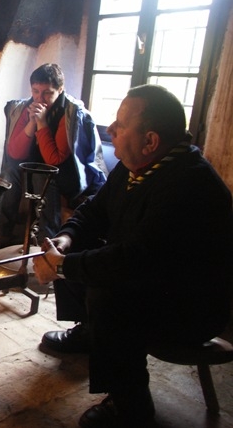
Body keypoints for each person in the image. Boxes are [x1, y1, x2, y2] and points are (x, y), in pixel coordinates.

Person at [33, 84, 233, 427]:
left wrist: (62, 266)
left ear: (150, 140)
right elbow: (94, 210)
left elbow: (136, 261)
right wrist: (65, 241)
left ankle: (131, 404)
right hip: (149, 280)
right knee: (78, 247)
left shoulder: (189, 185)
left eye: (121, 124)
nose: (111, 129)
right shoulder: (137, 166)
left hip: (190, 308)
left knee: (108, 293)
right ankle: (90, 330)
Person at [0, 63, 107, 252]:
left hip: (67, 174)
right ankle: (0, 231)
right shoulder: (24, 108)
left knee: (42, 175)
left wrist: (41, 123)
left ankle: (47, 239)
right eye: (36, 91)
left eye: (47, 93)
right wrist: (31, 123)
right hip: (34, 167)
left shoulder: (70, 114)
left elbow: (54, 159)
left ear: (60, 89)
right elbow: (15, 153)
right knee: (9, 171)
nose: (40, 98)